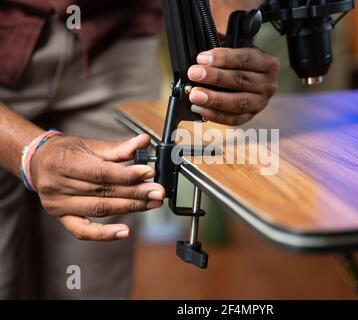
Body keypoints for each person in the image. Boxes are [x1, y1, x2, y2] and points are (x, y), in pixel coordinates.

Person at [0, 0, 280, 299]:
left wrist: (229, 43)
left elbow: (227, 20)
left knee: (92, 285)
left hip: (121, 38)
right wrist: (30, 152)